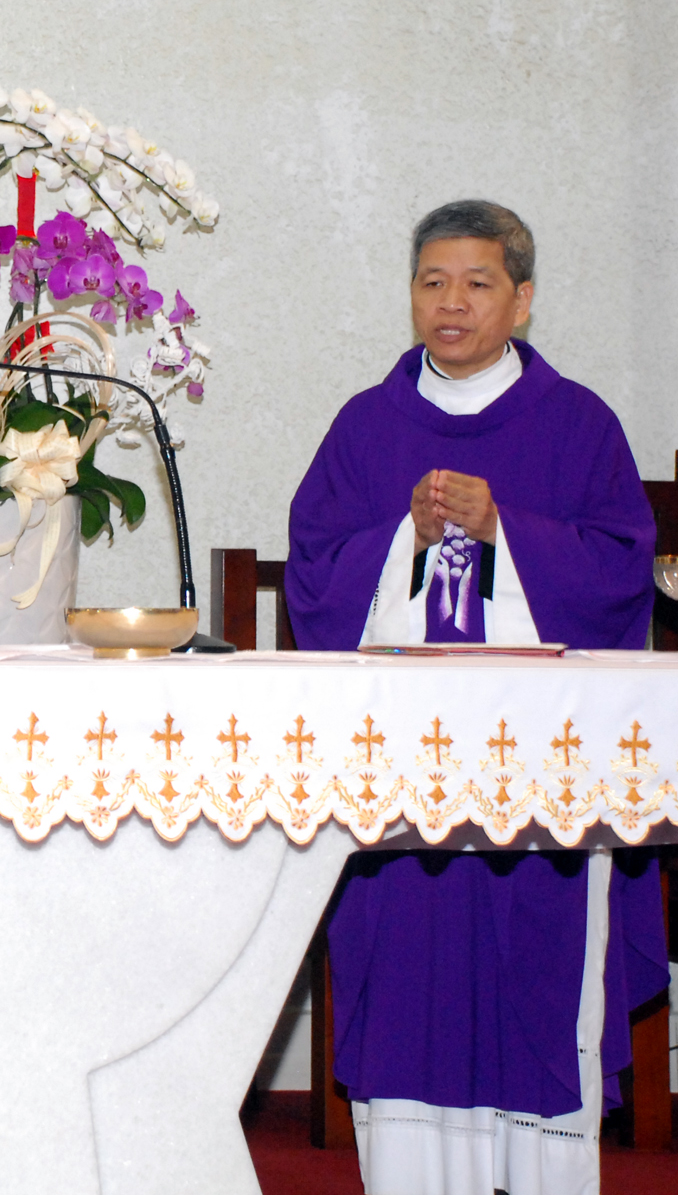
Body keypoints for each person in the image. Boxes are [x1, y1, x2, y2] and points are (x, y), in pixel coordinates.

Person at [285, 199, 668, 1194]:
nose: (450, 302)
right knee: (403, 968)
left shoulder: (578, 423)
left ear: (522, 300)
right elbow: (314, 577)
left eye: (476, 283)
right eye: (431, 282)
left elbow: (622, 573)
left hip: (543, 765)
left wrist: (505, 529)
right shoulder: (365, 425)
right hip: (398, 766)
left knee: (537, 965)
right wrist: (399, 541)